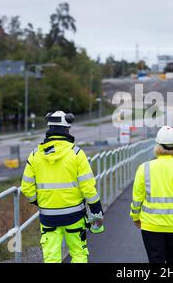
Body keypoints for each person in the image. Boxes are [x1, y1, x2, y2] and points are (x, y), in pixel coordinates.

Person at [21, 110, 104, 263]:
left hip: (48, 217)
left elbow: (26, 187)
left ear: (49, 129)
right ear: (67, 129)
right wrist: (96, 208)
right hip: (75, 216)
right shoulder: (77, 154)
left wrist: (38, 201)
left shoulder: (35, 155)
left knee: (51, 257)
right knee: (79, 253)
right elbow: (88, 187)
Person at [130, 126, 173, 263]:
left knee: (155, 260)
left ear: (157, 146)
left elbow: (137, 198)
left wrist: (135, 217)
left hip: (150, 226)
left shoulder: (144, 168)